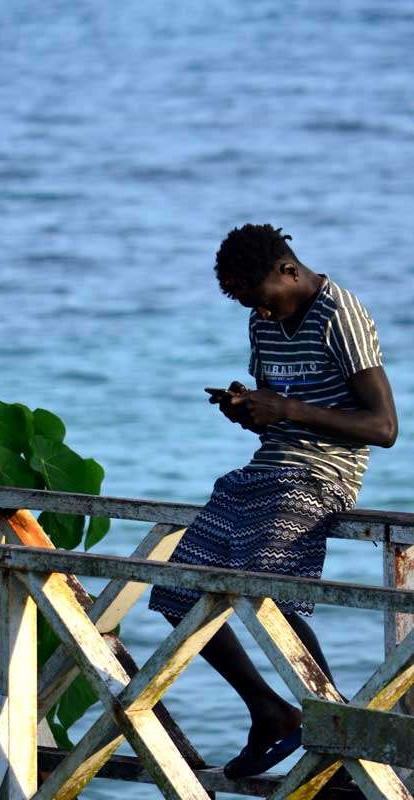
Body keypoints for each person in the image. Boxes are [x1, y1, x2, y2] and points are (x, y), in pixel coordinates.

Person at [149, 223, 398, 778]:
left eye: (260, 300)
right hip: (265, 472)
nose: (259, 314)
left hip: (321, 475)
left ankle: (336, 737)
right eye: (246, 305)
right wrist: (249, 411)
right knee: (175, 590)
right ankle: (270, 710)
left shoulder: (341, 314)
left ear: (289, 271)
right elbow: (277, 418)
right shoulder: (263, 323)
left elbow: (383, 428)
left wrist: (283, 409)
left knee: (274, 592)